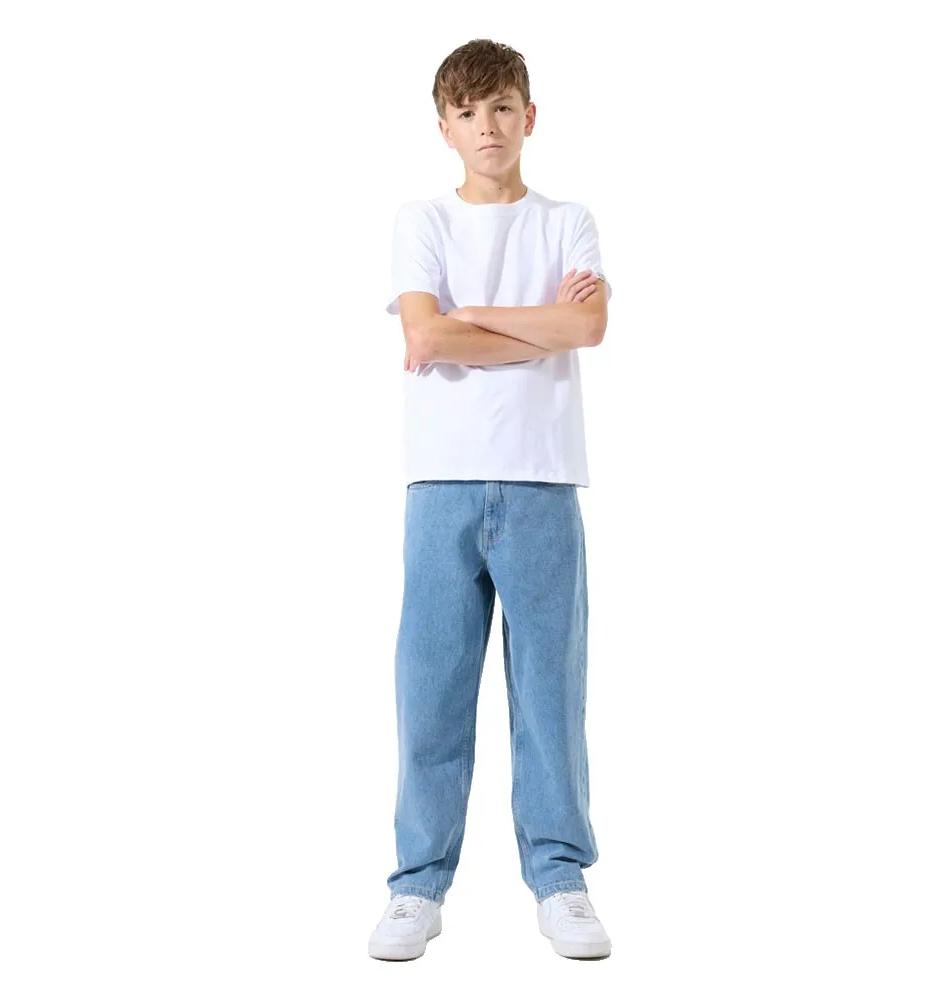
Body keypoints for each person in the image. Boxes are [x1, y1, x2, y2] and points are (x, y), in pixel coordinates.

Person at [368, 38, 613, 962]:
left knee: (549, 693)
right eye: (467, 113)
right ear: (444, 128)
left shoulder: (568, 221)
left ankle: (560, 878)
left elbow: (588, 324)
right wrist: (537, 329)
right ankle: (416, 886)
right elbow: (425, 338)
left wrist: (471, 319)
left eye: (502, 107)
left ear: (529, 116)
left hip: (544, 477)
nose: (487, 126)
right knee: (431, 690)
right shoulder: (422, 220)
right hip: (443, 481)